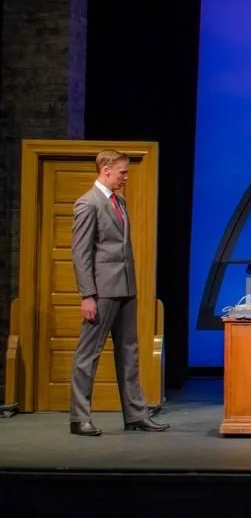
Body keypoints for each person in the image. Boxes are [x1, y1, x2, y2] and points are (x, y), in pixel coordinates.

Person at [69, 149, 168, 436]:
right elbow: (81, 253)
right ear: (106, 170)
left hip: (125, 286)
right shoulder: (88, 204)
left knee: (129, 352)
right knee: (88, 354)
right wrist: (87, 294)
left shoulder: (119, 201)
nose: (125, 177)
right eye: (122, 172)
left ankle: (135, 415)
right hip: (101, 290)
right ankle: (79, 417)